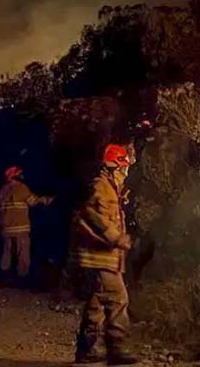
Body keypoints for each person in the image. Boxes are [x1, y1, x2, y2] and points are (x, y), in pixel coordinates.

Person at [70, 143, 139, 365]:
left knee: (96, 302)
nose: (126, 172)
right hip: (100, 257)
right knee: (119, 299)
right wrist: (114, 237)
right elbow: (90, 213)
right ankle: (117, 348)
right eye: (124, 167)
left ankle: (86, 350)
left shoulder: (111, 187)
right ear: (115, 166)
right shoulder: (101, 185)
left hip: (103, 257)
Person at [0, 165, 53, 278]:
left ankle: (3, 274)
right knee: (23, 252)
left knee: (7, 252)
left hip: (5, 228)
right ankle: (22, 276)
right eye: (20, 174)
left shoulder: (1, 191)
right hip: (20, 227)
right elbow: (33, 201)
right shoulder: (21, 187)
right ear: (16, 176)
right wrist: (47, 200)